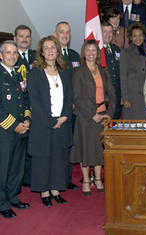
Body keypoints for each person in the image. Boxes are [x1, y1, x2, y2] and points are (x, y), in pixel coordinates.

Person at [28, 35, 73, 207]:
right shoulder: (35, 73)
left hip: (62, 122)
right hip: (42, 124)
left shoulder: (64, 71)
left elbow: (69, 97)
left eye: (53, 47)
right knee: (43, 158)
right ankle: (44, 192)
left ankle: (55, 189)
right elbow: (35, 101)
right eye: (46, 48)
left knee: (58, 158)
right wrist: (50, 121)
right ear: (41, 52)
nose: (50, 51)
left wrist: (64, 117)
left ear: (57, 50)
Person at [70, 40, 115, 196]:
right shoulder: (78, 72)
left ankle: (97, 179)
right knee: (84, 148)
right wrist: (92, 114)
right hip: (85, 117)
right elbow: (76, 98)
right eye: (88, 50)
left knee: (98, 149)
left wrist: (110, 112)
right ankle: (86, 181)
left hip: (102, 116)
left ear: (97, 53)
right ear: (84, 52)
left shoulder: (103, 71)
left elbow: (112, 93)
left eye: (94, 50)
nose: (91, 53)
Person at [0, 40, 31, 218]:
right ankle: (2, 203)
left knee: (16, 168)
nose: (12, 56)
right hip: (5, 132)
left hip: (21, 131)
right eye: (8, 53)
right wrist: (15, 125)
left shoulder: (19, 75)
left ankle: (12, 197)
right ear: (1, 55)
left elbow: (25, 100)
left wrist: (27, 119)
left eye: (15, 53)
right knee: (3, 169)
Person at [54, 21, 79, 190]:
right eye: (61, 32)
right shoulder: (51, 55)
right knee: (57, 146)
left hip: (74, 107)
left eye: (68, 32)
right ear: (56, 35)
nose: (65, 35)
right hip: (57, 109)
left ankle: (67, 179)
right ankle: (56, 179)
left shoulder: (75, 56)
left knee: (69, 144)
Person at [14, 24, 36, 187]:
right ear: (15, 39)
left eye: (27, 36)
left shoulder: (37, 56)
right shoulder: (11, 57)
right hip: (17, 110)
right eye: (21, 36)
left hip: (36, 109)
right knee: (17, 148)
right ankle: (17, 179)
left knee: (32, 145)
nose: (24, 39)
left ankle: (28, 178)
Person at [120, 23, 146, 119]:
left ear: (144, 36)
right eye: (135, 36)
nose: (138, 38)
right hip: (132, 96)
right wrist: (125, 98)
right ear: (130, 38)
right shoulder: (126, 53)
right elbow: (123, 76)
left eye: (140, 35)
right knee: (132, 126)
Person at [102, 22, 122, 119]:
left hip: (117, 92)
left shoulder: (116, 49)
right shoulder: (96, 51)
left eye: (110, 32)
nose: (108, 35)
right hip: (104, 94)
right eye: (105, 32)